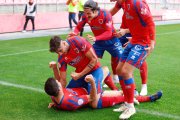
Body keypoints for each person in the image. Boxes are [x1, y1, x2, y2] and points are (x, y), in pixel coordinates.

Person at [110, 0, 156, 119]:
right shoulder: (124, 4)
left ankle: (130, 107)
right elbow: (136, 24)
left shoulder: (137, 3)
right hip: (134, 40)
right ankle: (127, 102)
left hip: (143, 43)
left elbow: (150, 22)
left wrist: (152, 42)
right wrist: (126, 31)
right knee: (119, 69)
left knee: (126, 72)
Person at [44, 66, 162, 110]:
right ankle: (149, 98)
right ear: (59, 89)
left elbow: (57, 97)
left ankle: (121, 92)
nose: (60, 82)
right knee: (124, 96)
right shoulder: (71, 102)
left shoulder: (54, 95)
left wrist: (55, 68)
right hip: (96, 99)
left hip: (88, 89)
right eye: (58, 83)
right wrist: (93, 83)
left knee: (105, 71)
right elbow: (92, 98)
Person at [69, 0, 123, 84]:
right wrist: (75, 32)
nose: (86, 15)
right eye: (85, 13)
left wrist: (96, 38)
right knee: (89, 59)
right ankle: (93, 78)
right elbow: (78, 27)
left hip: (112, 40)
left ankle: (118, 78)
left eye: (88, 13)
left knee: (121, 59)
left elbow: (109, 32)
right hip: (98, 43)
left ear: (95, 11)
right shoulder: (85, 15)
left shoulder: (106, 14)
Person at [49, 35, 118, 95]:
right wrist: (59, 97)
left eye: (60, 50)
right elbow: (63, 80)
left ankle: (119, 92)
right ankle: (92, 84)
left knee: (93, 96)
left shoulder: (77, 41)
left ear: (64, 43)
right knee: (68, 92)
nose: (60, 54)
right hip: (80, 74)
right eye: (57, 52)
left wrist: (80, 75)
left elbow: (94, 60)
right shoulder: (61, 57)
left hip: (95, 69)